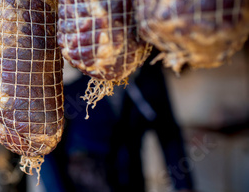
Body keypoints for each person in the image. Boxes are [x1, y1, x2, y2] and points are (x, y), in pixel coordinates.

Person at [41, 52, 195, 192]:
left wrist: (183, 186)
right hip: (84, 181)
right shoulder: (74, 91)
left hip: (130, 177)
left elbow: (169, 135)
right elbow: (48, 152)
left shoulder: (148, 83)